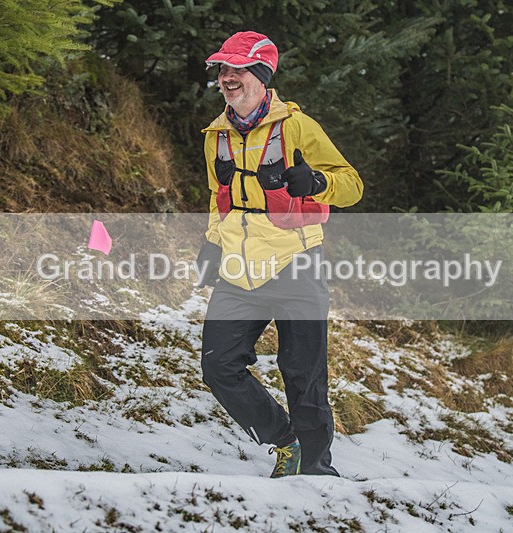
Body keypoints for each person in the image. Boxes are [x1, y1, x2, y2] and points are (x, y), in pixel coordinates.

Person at [196, 31, 363, 478]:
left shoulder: (296, 126)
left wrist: (318, 183)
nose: (227, 78)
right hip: (239, 268)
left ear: (260, 75)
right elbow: (218, 196)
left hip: (296, 264)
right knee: (218, 366)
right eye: (223, 70)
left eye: (237, 69)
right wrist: (213, 242)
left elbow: (352, 185)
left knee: (303, 373)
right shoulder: (216, 134)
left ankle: (316, 471)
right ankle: (286, 441)